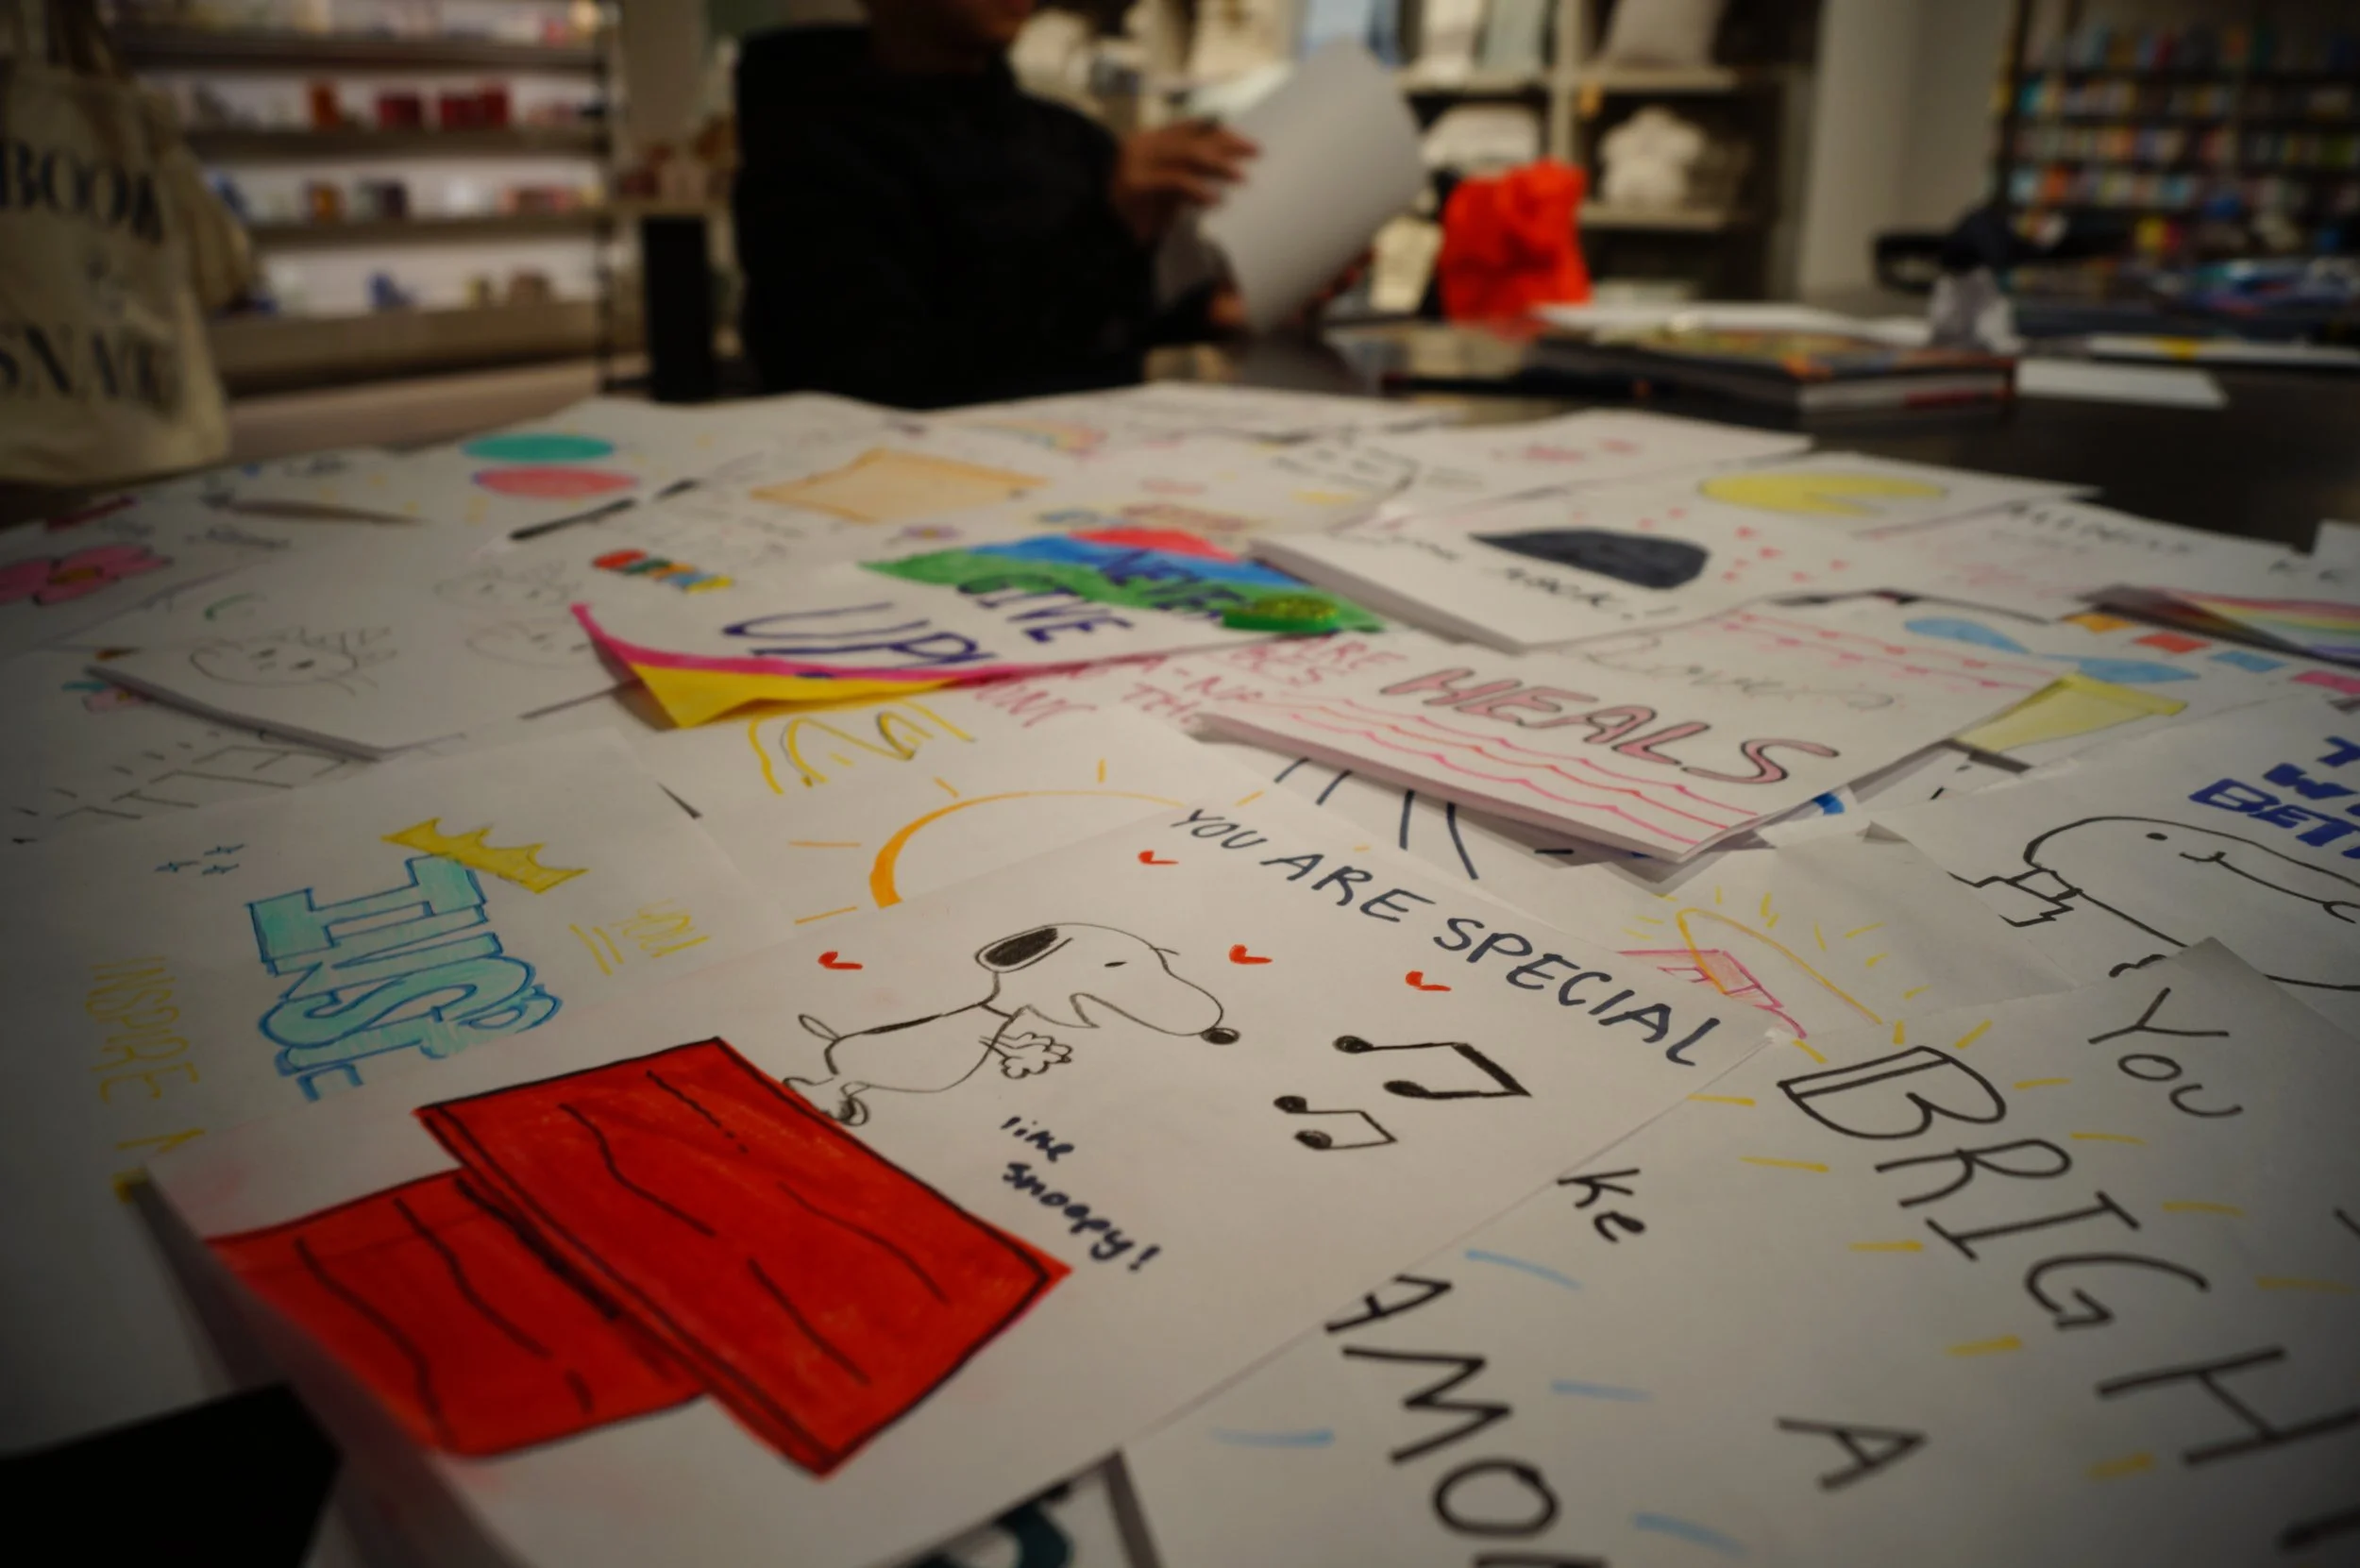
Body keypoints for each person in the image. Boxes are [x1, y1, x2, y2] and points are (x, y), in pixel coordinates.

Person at [733, 0, 1258, 409]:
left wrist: (1211, 312)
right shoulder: (810, 148)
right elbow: (875, 383)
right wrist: (1108, 231)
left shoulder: (1072, 140)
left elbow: (1094, 343)